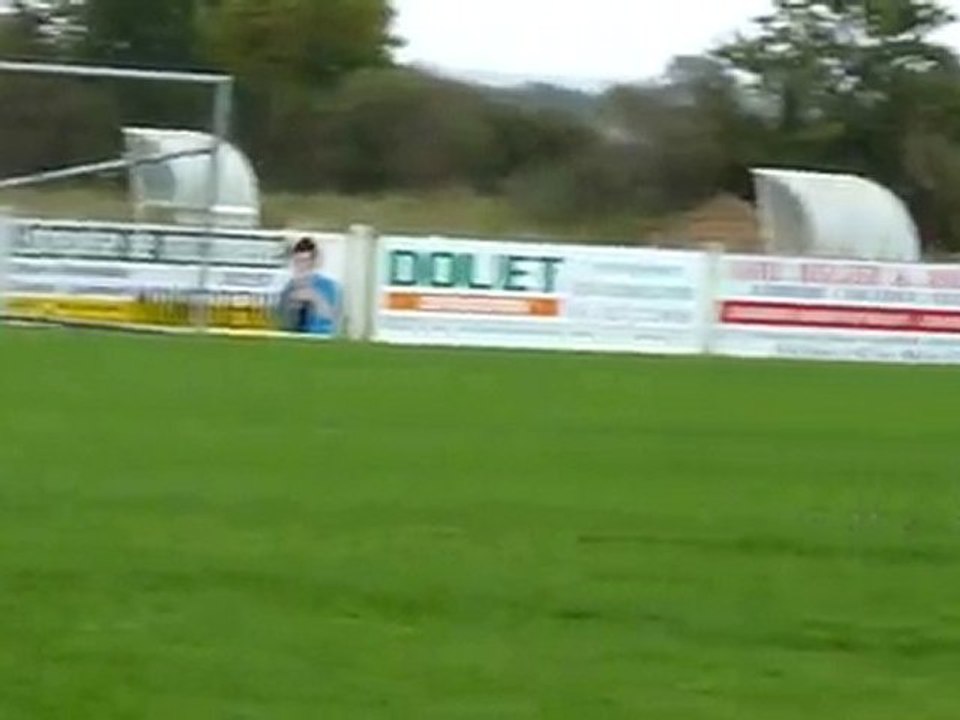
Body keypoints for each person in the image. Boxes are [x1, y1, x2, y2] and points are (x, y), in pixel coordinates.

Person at [277, 237, 341, 335]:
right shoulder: (289, 288)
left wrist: (315, 298)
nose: (302, 266)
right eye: (298, 261)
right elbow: (282, 321)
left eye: (306, 261)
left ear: (314, 262)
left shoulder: (328, 286)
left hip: (320, 340)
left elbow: (332, 318)